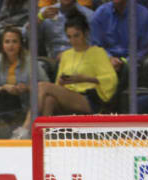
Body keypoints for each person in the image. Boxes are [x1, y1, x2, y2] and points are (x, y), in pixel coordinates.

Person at [12, 11, 117, 139]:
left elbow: (111, 80)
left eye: (76, 36)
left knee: (42, 86)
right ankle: (41, 137)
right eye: (69, 36)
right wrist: (63, 82)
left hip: (89, 98)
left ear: (85, 33)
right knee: (49, 99)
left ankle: (25, 129)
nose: (73, 40)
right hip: (69, 96)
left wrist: (84, 79)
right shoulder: (66, 55)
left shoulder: (98, 53)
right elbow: (57, 85)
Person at [0, 27, 49, 135]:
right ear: (2, 45)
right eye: (7, 42)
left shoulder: (31, 62)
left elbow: (46, 85)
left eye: (14, 41)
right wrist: (3, 87)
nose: (10, 45)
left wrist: (27, 87)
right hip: (2, 102)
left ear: (20, 44)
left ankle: (16, 131)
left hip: (24, 102)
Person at [90, 0, 148, 72]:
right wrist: (109, 58)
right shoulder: (100, 14)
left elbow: (145, 48)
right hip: (106, 65)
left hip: (135, 66)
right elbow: (96, 46)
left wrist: (126, 62)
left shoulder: (143, 14)